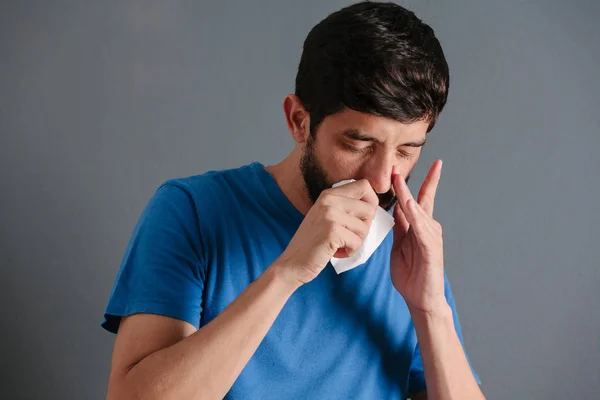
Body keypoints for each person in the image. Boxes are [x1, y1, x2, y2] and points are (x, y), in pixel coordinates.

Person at [101, 1, 484, 399]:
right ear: (299, 121)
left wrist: (431, 309)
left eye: (406, 151)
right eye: (358, 143)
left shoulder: (406, 253)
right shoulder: (192, 211)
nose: (381, 180)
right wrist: (287, 272)